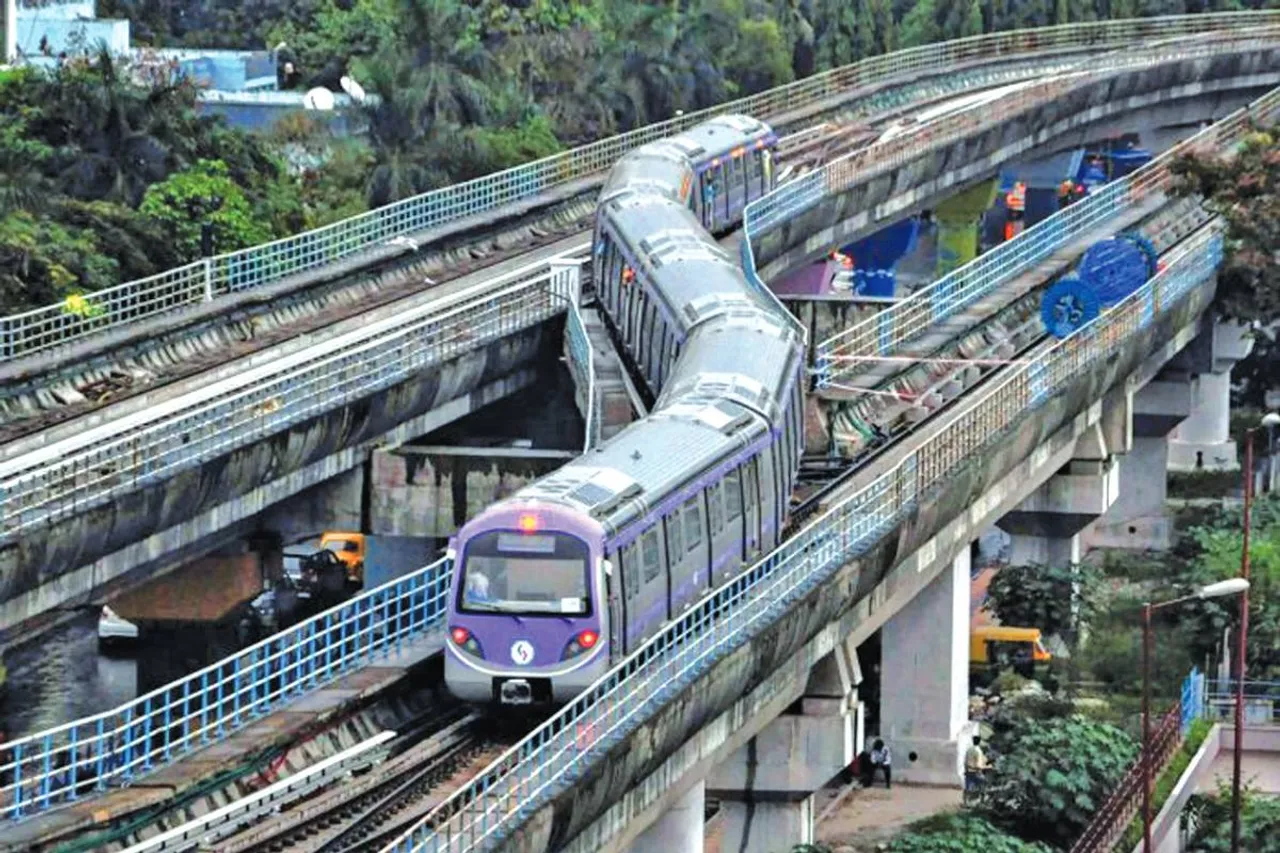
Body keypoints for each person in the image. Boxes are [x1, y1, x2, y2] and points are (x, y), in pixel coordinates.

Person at [964, 734, 988, 799]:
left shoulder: (969, 750)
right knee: (984, 783)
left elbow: (966, 762)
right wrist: (986, 767)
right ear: (979, 742)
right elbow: (978, 765)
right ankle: (982, 800)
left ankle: (966, 801)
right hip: (976, 772)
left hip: (968, 771)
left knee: (967, 787)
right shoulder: (978, 751)